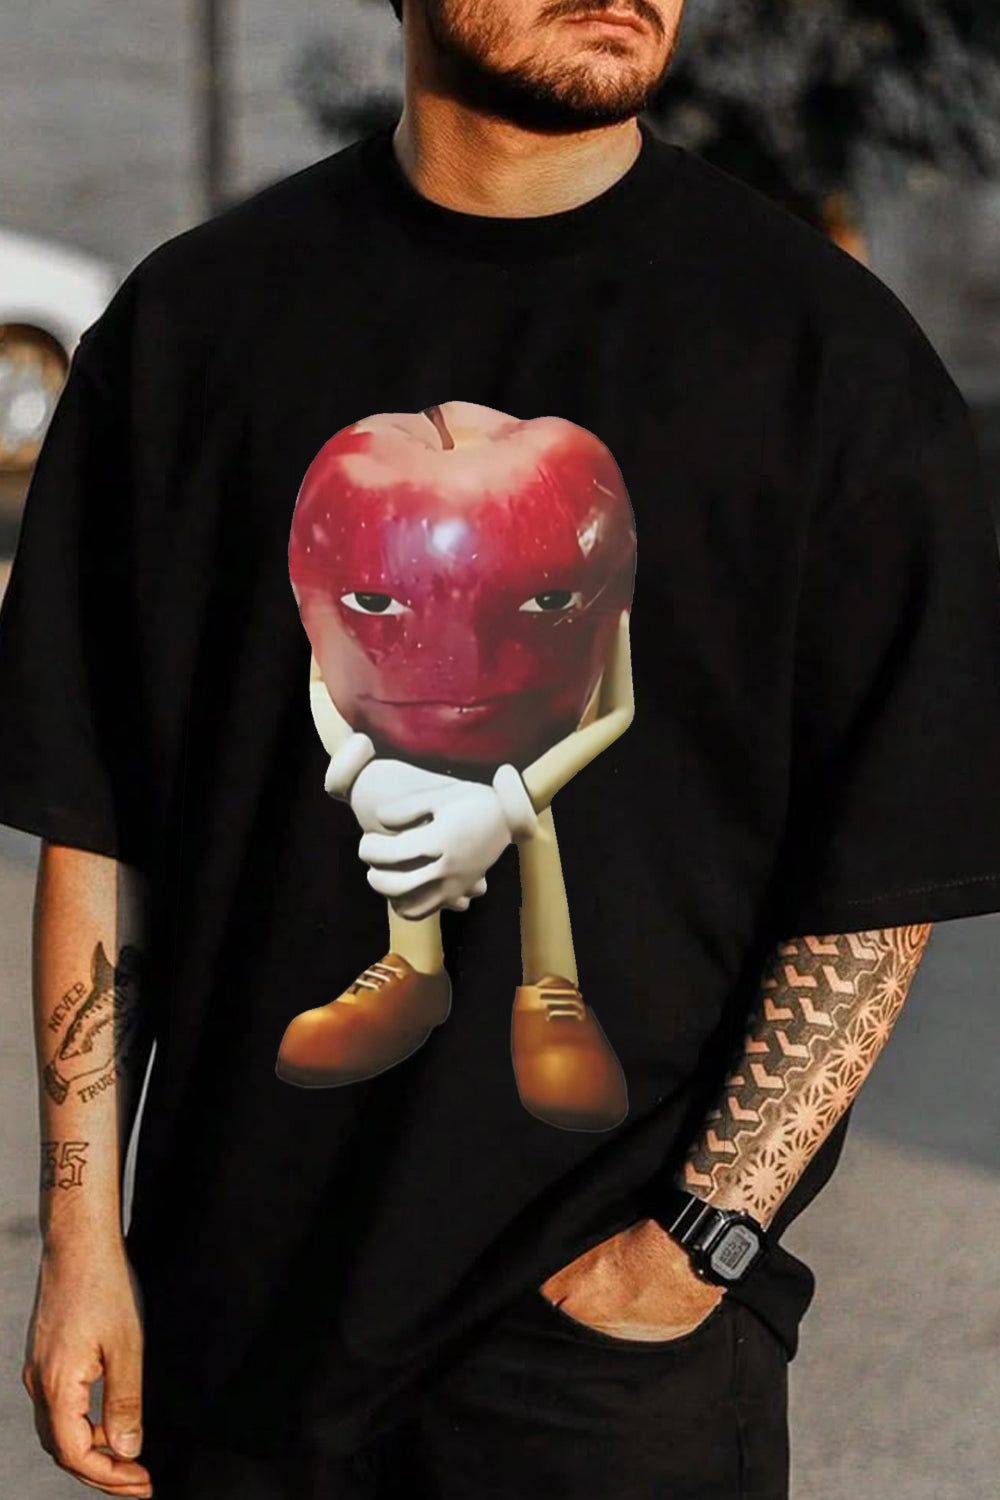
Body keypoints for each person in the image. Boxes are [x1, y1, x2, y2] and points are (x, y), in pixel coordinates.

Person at [5, 1, 1000, 1496]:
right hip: (239, 1336)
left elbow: (882, 868)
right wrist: (83, 1244)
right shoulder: (193, 329)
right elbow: (104, 816)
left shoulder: (823, 355)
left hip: (604, 1380)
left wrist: (699, 1244)